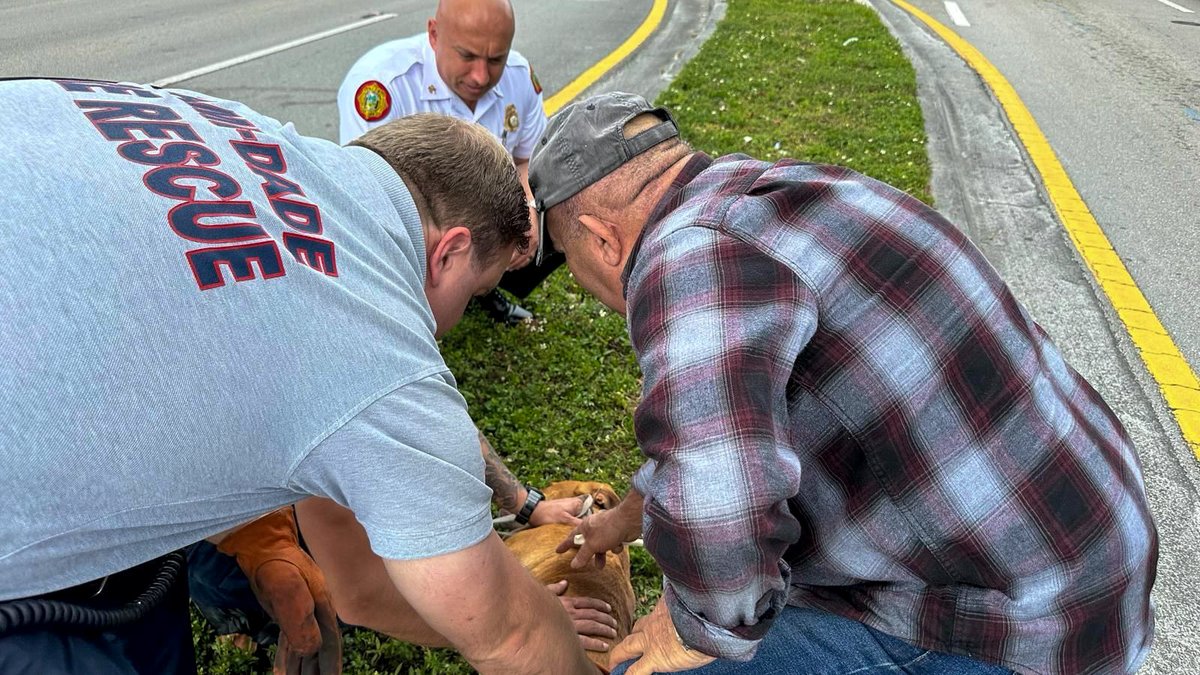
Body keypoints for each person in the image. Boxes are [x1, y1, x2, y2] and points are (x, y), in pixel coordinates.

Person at [529, 92, 1160, 675]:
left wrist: (692, 634)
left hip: (1014, 626)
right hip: (1089, 561)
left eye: (571, 262)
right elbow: (721, 440)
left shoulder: (689, 262)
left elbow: (721, 513)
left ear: (600, 239)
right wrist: (626, 522)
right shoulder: (779, 195)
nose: (587, 289)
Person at [0, 77, 600, 675]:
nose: (446, 329)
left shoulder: (234, 122)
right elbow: (479, 627)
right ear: (450, 252)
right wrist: (538, 619)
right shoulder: (376, 348)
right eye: (477, 291)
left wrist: (266, 541)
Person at [336, 0, 566, 325]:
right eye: (467, 56)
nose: (480, 76)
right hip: (418, 219)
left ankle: (484, 286)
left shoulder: (519, 77)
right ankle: (417, 308)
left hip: (487, 214)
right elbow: (372, 198)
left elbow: (529, 160)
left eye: (495, 59)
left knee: (563, 198)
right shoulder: (383, 85)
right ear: (434, 34)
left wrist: (527, 211)